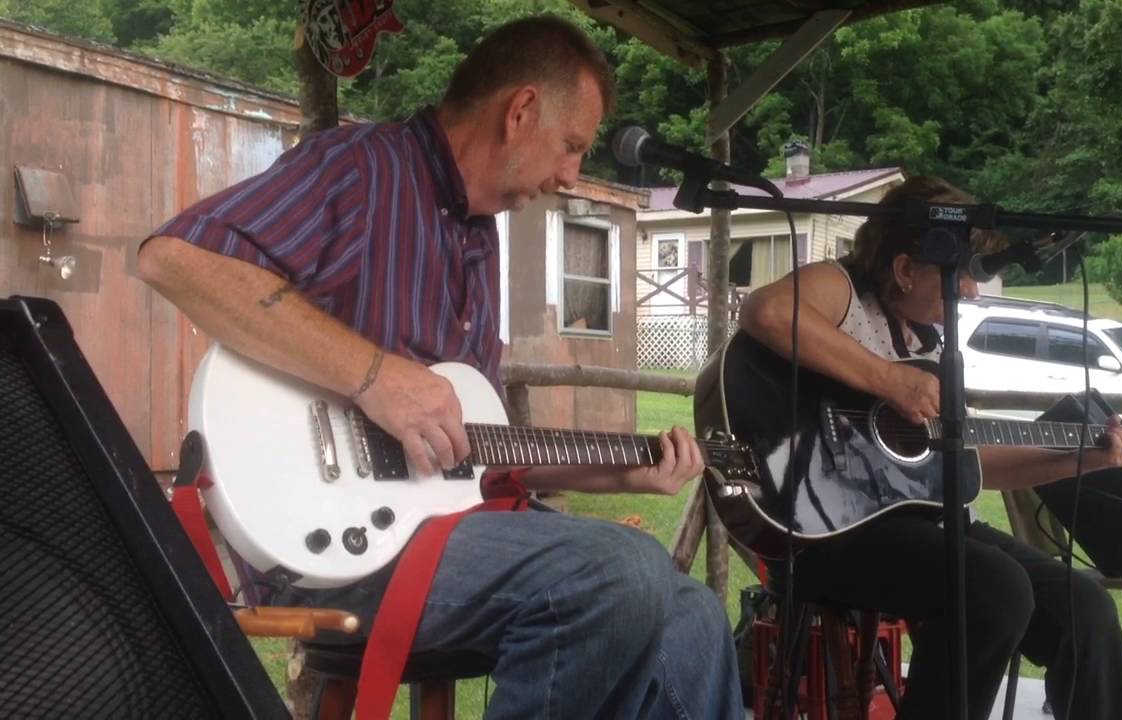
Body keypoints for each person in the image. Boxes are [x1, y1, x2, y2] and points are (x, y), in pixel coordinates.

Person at [138, 16, 742, 720]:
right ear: (519, 112)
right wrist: (376, 377)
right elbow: (176, 259)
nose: (573, 175)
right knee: (619, 571)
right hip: (330, 548)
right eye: (572, 146)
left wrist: (620, 472)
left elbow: (471, 453)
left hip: (441, 534)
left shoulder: (480, 240)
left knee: (694, 613)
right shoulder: (361, 170)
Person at [736, 175, 1122, 720]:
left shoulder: (929, 347)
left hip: (932, 526)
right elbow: (764, 312)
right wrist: (885, 379)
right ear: (905, 269)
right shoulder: (842, 289)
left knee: (1084, 605)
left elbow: (973, 462)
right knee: (995, 588)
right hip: (825, 528)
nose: (972, 290)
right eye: (961, 275)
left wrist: (1086, 458)